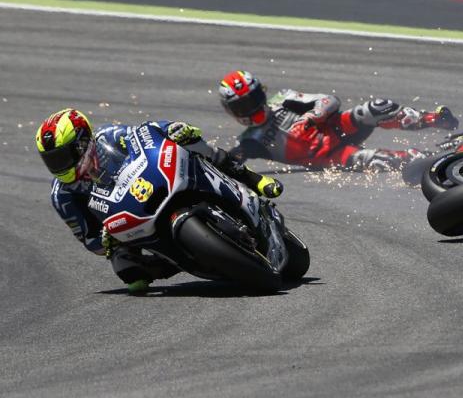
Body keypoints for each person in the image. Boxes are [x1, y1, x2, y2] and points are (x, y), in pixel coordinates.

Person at [36, 108, 283, 291]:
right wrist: (104, 241)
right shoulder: (63, 196)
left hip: (150, 184)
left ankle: (253, 180)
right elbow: (88, 240)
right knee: (132, 278)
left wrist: (171, 129)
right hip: (124, 226)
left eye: (62, 157)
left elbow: (144, 134)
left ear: (81, 143)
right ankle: (179, 260)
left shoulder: (109, 137)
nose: (59, 166)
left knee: (195, 145)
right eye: (52, 161)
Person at [218, 70, 459, 171]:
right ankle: (435, 160)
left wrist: (312, 118)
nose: (251, 108)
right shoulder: (249, 140)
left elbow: (329, 100)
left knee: (376, 107)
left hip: (336, 127)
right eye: (242, 105)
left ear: (262, 93)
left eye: (254, 99)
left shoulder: (284, 98)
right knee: (379, 161)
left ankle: (436, 120)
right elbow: (230, 160)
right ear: (232, 110)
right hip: (328, 157)